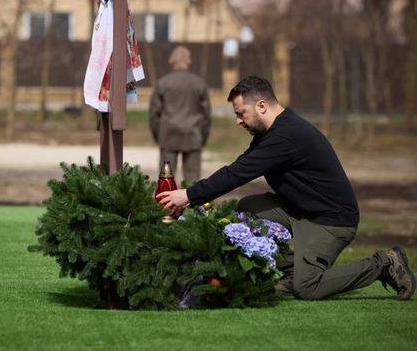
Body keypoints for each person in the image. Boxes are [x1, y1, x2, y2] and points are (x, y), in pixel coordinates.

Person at [157, 75, 415, 301]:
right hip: (300, 211)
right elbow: (240, 166)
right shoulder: (271, 133)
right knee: (249, 209)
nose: (238, 121)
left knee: (308, 287)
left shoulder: (285, 136)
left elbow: (237, 173)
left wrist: (188, 195)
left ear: (261, 106)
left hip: (331, 221)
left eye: (240, 113)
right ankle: (290, 270)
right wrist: (192, 196)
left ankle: (384, 263)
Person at [149, 46, 211, 182]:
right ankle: (193, 204)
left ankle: (164, 204)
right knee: (193, 182)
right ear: (189, 61)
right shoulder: (199, 83)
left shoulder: (163, 83)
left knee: (166, 180)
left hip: (168, 135)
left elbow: (154, 113)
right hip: (193, 135)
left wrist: (157, 135)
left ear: (171, 60)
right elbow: (206, 115)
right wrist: (203, 137)